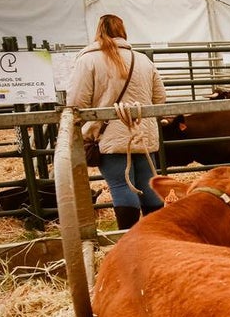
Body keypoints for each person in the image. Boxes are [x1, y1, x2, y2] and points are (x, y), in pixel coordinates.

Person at [69, 13, 166, 230]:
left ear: (99, 32)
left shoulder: (88, 60)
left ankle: (128, 240)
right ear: (123, 32)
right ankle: (158, 238)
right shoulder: (143, 60)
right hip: (143, 134)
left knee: (122, 185)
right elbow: (160, 98)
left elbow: (76, 102)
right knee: (148, 186)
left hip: (109, 136)